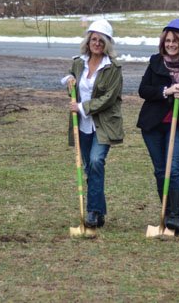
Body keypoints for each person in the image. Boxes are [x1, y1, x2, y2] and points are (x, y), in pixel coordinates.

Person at [137, 19, 179, 235]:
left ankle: (176, 217)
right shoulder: (155, 61)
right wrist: (165, 91)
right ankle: (165, 214)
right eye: (167, 41)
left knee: (173, 169)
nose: (171, 44)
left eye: (175, 41)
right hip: (153, 124)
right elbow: (143, 90)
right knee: (160, 170)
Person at [62, 19, 124, 229]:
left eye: (101, 40)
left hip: (103, 125)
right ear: (88, 41)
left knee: (97, 161)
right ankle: (98, 211)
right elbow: (73, 85)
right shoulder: (79, 62)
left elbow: (109, 97)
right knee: (89, 168)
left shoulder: (113, 68)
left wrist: (81, 107)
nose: (97, 43)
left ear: (107, 43)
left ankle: (92, 211)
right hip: (82, 125)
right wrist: (70, 79)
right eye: (93, 39)